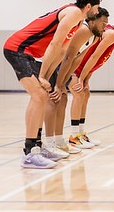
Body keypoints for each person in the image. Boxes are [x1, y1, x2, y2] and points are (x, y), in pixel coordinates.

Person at [3, 0, 102, 169]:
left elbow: (62, 51)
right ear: (88, 6)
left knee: (43, 94)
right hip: (17, 49)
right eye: (96, 8)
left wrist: (47, 78)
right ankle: (30, 153)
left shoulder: (78, 20)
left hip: (29, 54)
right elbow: (55, 44)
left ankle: (37, 147)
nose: (97, 12)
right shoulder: (73, 12)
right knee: (39, 96)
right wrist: (42, 75)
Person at [43, 8, 110, 156]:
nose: (105, 27)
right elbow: (67, 57)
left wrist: (64, 82)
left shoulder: (95, 36)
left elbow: (77, 59)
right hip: (52, 62)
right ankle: (48, 143)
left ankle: (59, 142)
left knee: (63, 99)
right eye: (103, 23)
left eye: (106, 24)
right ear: (92, 21)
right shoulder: (84, 30)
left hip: (64, 66)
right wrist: (59, 84)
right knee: (52, 100)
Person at [66, 12, 114, 149]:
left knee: (85, 94)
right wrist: (81, 78)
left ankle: (80, 134)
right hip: (75, 67)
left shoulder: (112, 35)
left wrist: (86, 79)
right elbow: (94, 56)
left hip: (82, 70)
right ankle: (74, 137)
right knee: (79, 95)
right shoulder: (112, 34)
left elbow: (94, 60)